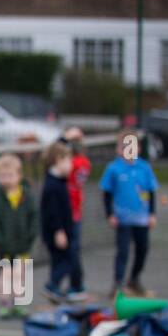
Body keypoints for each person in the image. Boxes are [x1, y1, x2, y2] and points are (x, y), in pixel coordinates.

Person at [101, 128, 160, 299]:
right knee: (123, 251)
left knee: (143, 249)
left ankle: (134, 280)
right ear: (118, 149)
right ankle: (117, 285)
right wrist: (110, 214)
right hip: (123, 219)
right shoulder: (113, 169)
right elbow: (107, 193)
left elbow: (151, 192)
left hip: (141, 218)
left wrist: (152, 214)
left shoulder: (145, 168)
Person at [0, 152, 38, 319]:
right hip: (4, 248)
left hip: (22, 246)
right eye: (2, 175)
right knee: (5, 275)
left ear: (19, 175)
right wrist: (0, 242)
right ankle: (5, 304)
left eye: (10, 175)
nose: (6, 178)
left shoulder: (27, 196)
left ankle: (19, 304)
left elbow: (34, 219)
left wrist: (29, 239)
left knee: (20, 275)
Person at [39, 141, 77, 303]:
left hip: (60, 230)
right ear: (58, 160)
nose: (71, 165)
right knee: (68, 261)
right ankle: (51, 285)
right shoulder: (52, 185)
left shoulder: (59, 182)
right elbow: (53, 212)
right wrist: (59, 231)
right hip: (56, 232)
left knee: (58, 261)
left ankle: (54, 290)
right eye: (68, 161)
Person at [60, 126, 92, 301]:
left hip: (72, 214)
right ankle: (75, 284)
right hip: (72, 213)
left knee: (71, 251)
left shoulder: (77, 164)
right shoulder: (82, 162)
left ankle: (77, 285)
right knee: (71, 250)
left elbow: (55, 156)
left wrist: (65, 137)